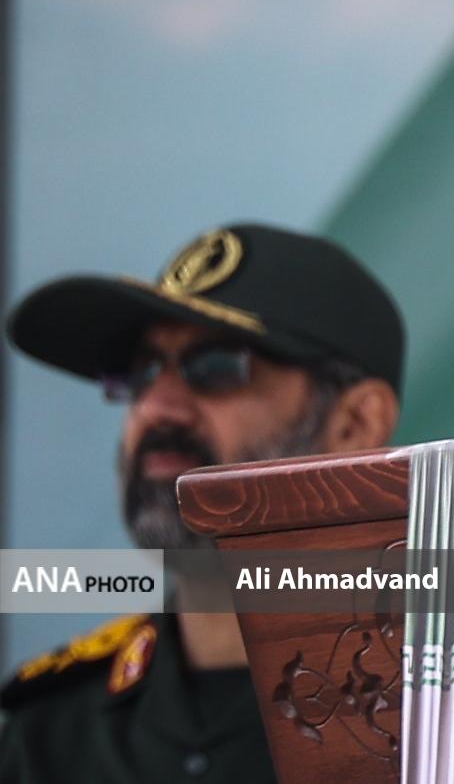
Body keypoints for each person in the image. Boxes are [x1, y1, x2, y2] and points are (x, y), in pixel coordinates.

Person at [0, 223, 403, 782]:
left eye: (216, 366)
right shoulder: (53, 729)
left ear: (354, 424)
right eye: (141, 372)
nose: (156, 407)